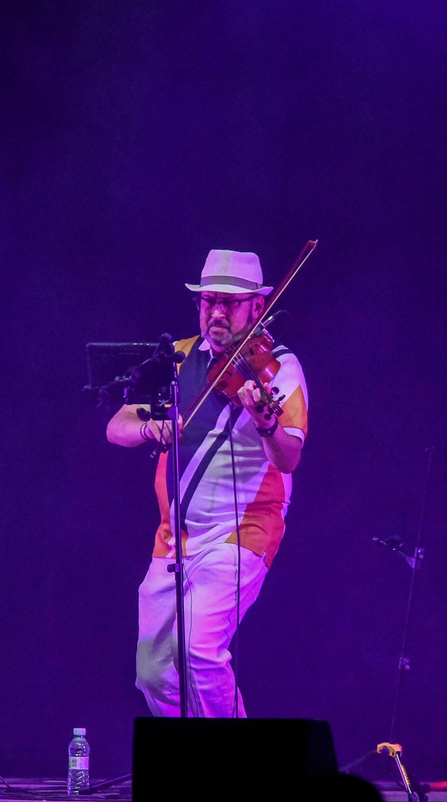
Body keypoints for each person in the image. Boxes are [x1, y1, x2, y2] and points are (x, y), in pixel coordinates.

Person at [107, 249, 308, 717]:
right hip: (174, 537)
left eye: (229, 303)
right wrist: (147, 427)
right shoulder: (177, 358)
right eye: (208, 301)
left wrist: (263, 421)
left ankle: (234, 767)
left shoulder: (280, 367)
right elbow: (117, 423)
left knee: (197, 650)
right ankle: (191, 764)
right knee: (153, 669)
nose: (216, 312)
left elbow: (289, 455)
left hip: (243, 532)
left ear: (257, 307)